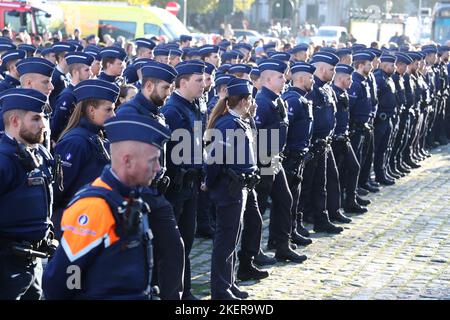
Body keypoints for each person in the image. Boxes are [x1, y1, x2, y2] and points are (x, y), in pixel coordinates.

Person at [43, 113, 171, 299]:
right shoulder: (95, 207)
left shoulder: (129, 196)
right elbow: (62, 281)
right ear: (127, 161)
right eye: (153, 160)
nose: (158, 167)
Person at [117, 61, 185, 300]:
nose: (169, 93)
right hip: (135, 194)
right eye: (166, 88)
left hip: (157, 193)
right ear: (148, 85)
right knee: (140, 256)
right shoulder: (129, 114)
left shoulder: (158, 113)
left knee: (174, 248)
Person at [205, 77, 261, 300]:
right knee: (225, 240)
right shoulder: (228, 124)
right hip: (229, 188)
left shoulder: (239, 121)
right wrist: (208, 184)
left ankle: (229, 282)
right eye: (250, 99)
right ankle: (220, 289)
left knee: (233, 237)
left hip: (240, 187)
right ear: (245, 101)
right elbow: (213, 159)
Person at [0, 88, 59, 299]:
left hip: (34, 261)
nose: (43, 125)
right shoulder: (4, 160)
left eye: (42, 118)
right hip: (7, 265)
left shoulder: (40, 153)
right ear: (15, 121)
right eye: (36, 119)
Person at [254, 58, 307, 262]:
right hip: (264, 160)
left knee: (285, 199)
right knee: (258, 207)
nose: (284, 79)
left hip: (276, 159)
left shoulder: (278, 99)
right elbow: (254, 135)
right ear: (267, 79)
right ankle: (254, 251)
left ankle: (281, 244)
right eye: (279, 76)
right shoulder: (261, 102)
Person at [161, 60, 206, 300]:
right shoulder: (172, 110)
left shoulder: (196, 106)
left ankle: (184, 290)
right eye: (198, 80)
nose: (203, 84)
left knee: (187, 240)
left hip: (191, 183)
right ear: (183, 82)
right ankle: (171, 292)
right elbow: (167, 153)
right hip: (176, 186)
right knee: (173, 244)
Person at [52, 79, 119, 239]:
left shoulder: (97, 136)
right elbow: (59, 190)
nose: (113, 115)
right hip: (76, 225)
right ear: (91, 111)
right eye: (108, 110)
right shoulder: (76, 142)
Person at [299, 51, 344, 234]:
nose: (334, 73)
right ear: (322, 68)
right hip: (312, 145)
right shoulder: (310, 90)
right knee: (306, 186)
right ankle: (299, 222)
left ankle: (321, 218)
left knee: (322, 184)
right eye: (332, 69)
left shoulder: (327, 87)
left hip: (324, 143)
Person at [281, 61, 316, 242]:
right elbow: (286, 131)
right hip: (290, 157)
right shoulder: (293, 100)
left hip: (300, 156)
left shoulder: (302, 98)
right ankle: (284, 236)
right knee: (288, 199)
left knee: (296, 196)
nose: (313, 81)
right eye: (310, 78)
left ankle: (293, 229)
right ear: (301, 78)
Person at [50, 52, 94, 141]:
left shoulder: (82, 92)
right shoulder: (68, 96)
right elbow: (56, 126)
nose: (91, 73)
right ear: (75, 72)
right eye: (87, 70)